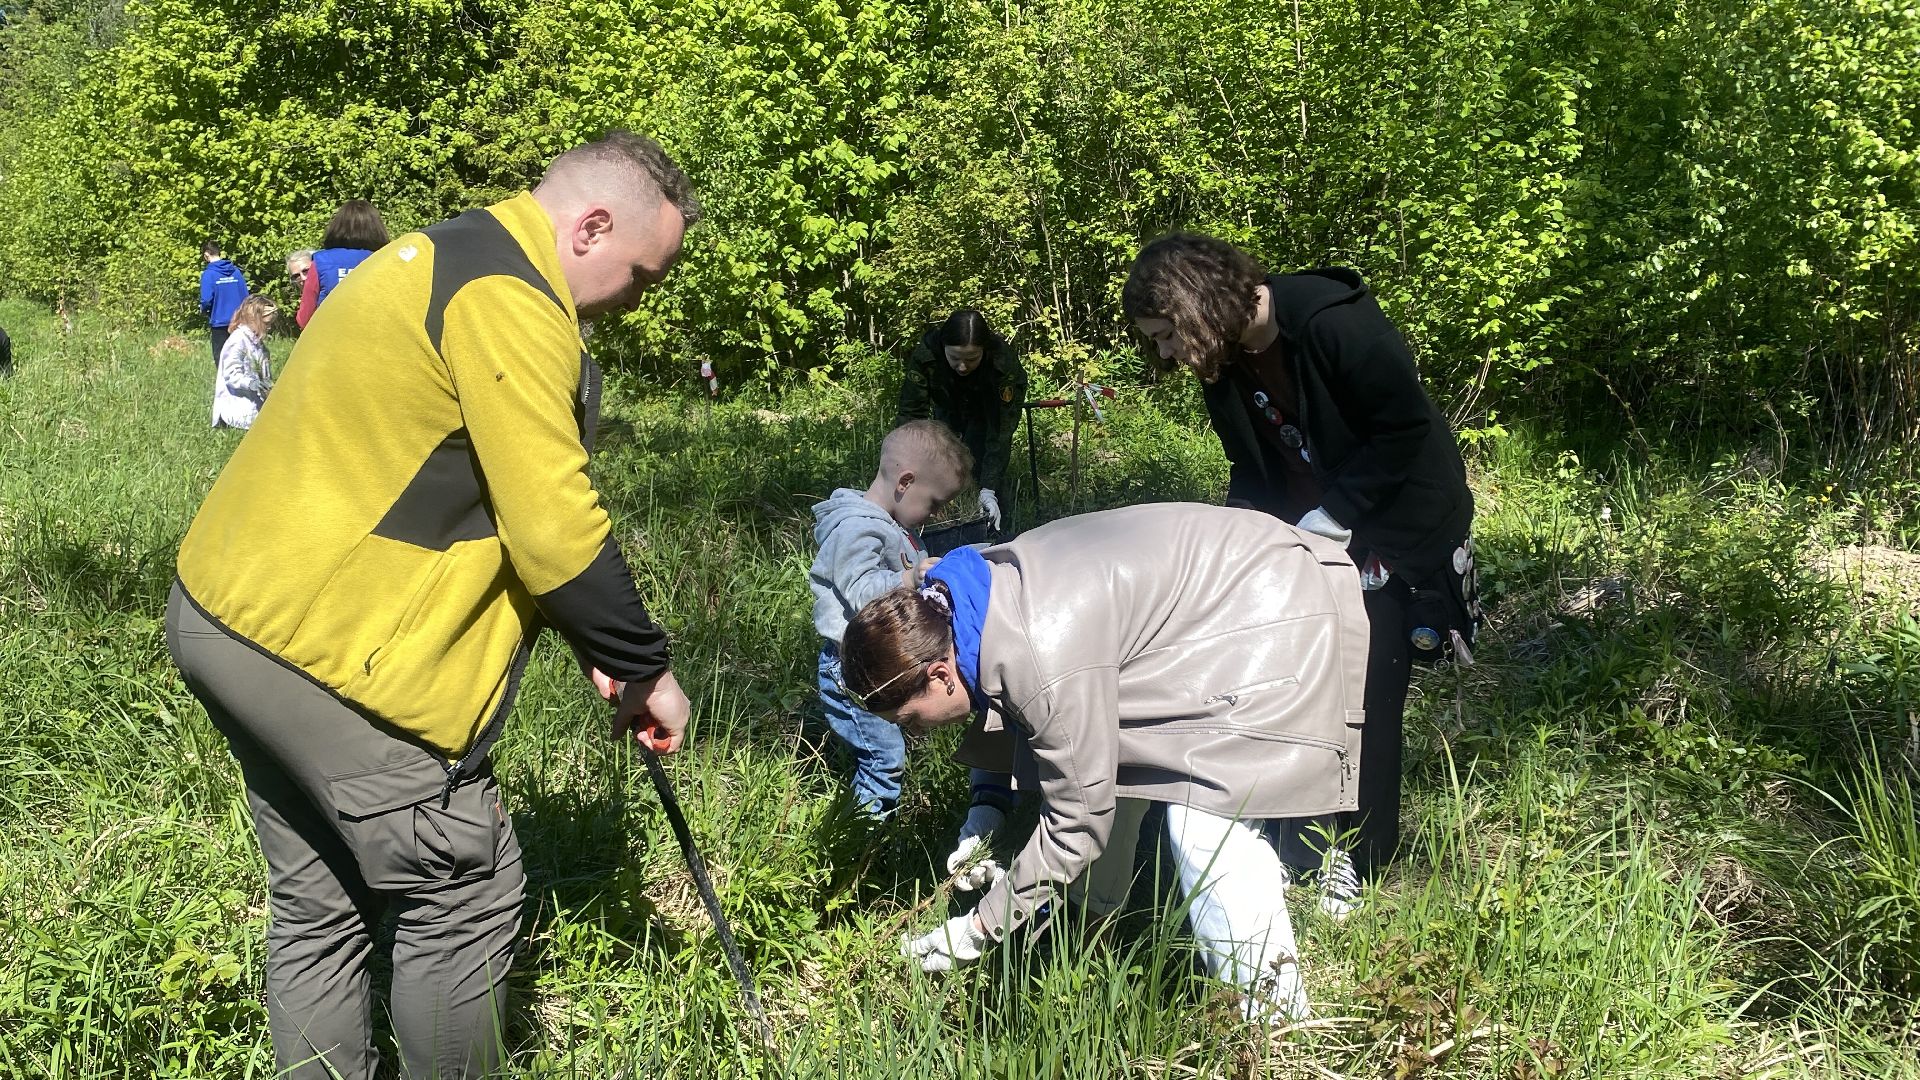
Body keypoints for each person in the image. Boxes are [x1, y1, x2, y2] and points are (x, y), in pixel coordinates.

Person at [165, 131, 700, 1080]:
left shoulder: (438, 253)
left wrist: (587, 636)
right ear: (590, 226)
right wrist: (645, 664)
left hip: (227, 614)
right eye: (642, 275)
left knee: (321, 905)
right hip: (327, 652)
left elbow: (449, 483)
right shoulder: (509, 296)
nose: (635, 300)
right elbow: (552, 520)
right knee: (464, 891)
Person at [840, 504, 1369, 1020]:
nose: (918, 734)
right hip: (1207, 595)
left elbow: (1078, 821)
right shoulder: (954, 603)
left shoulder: (1037, 655)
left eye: (911, 720)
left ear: (937, 675)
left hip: (1265, 599)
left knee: (1203, 822)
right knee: (1118, 773)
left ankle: (1270, 1017)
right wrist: (988, 810)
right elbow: (1071, 762)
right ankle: (1088, 929)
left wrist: (980, 928)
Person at [1123, 232, 1476, 904]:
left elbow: (1403, 427)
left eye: (1167, 332)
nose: (1165, 352)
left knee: (1367, 694)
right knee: (1293, 688)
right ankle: (1303, 843)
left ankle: (1362, 858)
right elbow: (1250, 466)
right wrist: (1237, 540)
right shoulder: (1223, 365)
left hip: (1396, 525)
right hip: (1307, 535)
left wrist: (1339, 514)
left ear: (1199, 306)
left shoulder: (1330, 319)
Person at [809, 420, 972, 818]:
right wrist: (908, 579)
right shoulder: (855, 529)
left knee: (889, 748)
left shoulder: (891, 525)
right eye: (933, 503)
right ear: (906, 481)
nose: (935, 515)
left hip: (880, 661)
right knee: (884, 760)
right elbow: (860, 588)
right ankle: (859, 837)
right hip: (853, 667)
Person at [896, 309, 1027, 532]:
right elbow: (911, 414)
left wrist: (989, 488)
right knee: (942, 455)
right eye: (955, 358)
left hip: (986, 408)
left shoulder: (1002, 364)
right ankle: (937, 524)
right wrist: (904, 467)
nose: (963, 366)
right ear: (943, 348)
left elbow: (1001, 431)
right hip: (947, 403)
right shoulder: (927, 354)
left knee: (981, 460)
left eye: (971, 359)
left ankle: (997, 529)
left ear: (984, 351)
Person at [296, 200, 390, 329]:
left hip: (330, 339)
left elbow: (304, 318)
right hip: (372, 339)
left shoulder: (321, 261)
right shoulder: (386, 260)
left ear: (337, 228)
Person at [211, 296, 278, 430]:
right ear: (254, 320)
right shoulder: (238, 341)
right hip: (235, 412)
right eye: (266, 324)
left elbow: (263, 373)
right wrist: (252, 383)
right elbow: (231, 375)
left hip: (253, 410)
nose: (269, 328)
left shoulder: (257, 343)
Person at [198, 241, 250, 364]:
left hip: (219, 322)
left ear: (206, 255)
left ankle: (225, 382)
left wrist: (204, 310)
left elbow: (206, 299)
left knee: (221, 358)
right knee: (241, 356)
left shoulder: (209, 274)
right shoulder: (235, 272)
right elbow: (246, 296)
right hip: (239, 321)